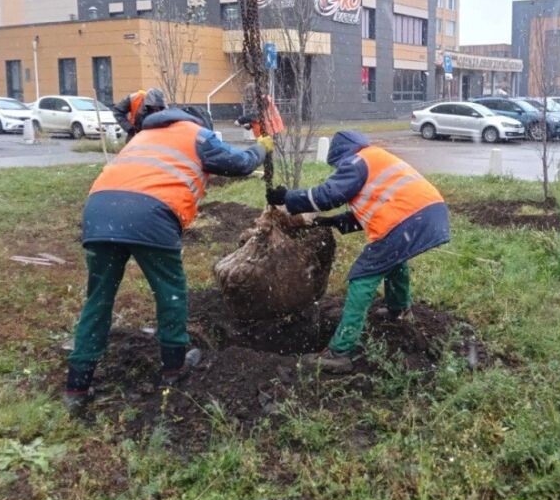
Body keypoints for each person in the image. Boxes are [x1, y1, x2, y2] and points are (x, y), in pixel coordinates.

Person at [64, 103, 275, 415]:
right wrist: (261, 147)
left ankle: (77, 385)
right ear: (198, 121)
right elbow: (240, 164)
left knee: (98, 299)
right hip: (150, 216)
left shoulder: (143, 136)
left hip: (98, 213)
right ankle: (175, 367)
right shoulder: (197, 135)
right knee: (170, 292)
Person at [265, 130, 450, 373]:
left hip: (407, 219)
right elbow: (363, 211)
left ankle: (339, 351)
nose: (337, 170)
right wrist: (327, 222)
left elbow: (329, 195)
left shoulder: (356, 161)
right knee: (393, 261)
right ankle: (398, 309)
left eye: (336, 166)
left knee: (362, 277)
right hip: (428, 212)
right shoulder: (375, 160)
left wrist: (287, 198)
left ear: (341, 155)